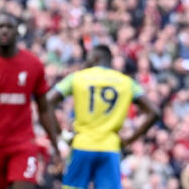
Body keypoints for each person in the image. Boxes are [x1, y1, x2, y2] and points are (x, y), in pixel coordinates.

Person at [0, 13, 61, 189]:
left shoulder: (33, 64)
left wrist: (56, 146)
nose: (5, 31)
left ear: (17, 32)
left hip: (23, 144)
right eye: (0, 27)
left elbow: (44, 109)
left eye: (9, 27)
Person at [47, 45, 161, 189]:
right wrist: (130, 139)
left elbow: (48, 101)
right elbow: (154, 112)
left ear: (95, 58)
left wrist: (61, 133)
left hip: (83, 144)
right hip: (110, 147)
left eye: (88, 59)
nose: (86, 63)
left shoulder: (78, 77)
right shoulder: (126, 82)